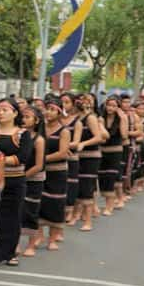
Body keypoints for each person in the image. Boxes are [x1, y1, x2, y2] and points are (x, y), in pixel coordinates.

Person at [0, 98, 34, 266]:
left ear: (15, 113)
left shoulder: (22, 134)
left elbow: (21, 158)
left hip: (14, 180)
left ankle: (9, 252)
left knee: (11, 217)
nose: (0, 113)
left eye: (5, 110)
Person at [36, 97, 70, 251]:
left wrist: (41, 158)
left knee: (55, 203)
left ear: (59, 112)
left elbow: (63, 153)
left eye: (52, 109)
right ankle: (39, 235)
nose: (48, 113)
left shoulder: (64, 131)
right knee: (39, 201)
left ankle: (53, 238)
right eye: (47, 109)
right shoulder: (40, 128)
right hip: (40, 171)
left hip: (57, 172)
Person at [73, 93, 105, 232]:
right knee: (78, 187)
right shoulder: (76, 118)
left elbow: (98, 137)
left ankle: (88, 221)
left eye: (85, 100)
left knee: (87, 188)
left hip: (90, 156)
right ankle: (76, 215)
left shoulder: (90, 117)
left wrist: (83, 144)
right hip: (78, 156)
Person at [19, 105, 46, 257]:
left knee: (31, 211)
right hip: (18, 177)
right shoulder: (19, 135)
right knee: (16, 210)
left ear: (36, 121)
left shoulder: (39, 139)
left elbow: (39, 165)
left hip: (33, 179)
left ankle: (31, 244)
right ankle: (14, 243)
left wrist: (23, 176)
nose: (24, 119)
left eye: (28, 117)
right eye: (23, 116)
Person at [98, 96, 128, 216]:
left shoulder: (122, 118)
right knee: (102, 178)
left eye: (114, 106)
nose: (110, 108)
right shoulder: (101, 118)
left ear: (118, 107)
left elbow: (125, 135)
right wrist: (100, 123)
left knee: (111, 178)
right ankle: (109, 200)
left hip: (115, 152)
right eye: (109, 105)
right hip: (102, 151)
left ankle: (109, 205)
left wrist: (122, 118)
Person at [61, 94, 81, 226]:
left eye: (67, 102)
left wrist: (63, 146)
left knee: (71, 184)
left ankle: (70, 211)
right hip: (58, 157)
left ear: (73, 104)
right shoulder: (56, 121)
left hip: (71, 156)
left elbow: (76, 142)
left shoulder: (77, 122)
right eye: (62, 102)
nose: (64, 105)